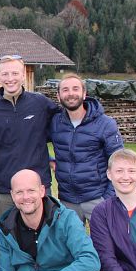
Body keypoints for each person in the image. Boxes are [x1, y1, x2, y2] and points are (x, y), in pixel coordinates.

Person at [0, 55, 62, 218]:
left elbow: (64, 126)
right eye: (5, 74)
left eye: (15, 73)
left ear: (23, 75)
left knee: (43, 231)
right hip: (6, 189)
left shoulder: (40, 103)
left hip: (38, 186)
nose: (10, 78)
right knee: (9, 232)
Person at [50, 73, 124, 223]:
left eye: (75, 89)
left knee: (107, 238)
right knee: (70, 239)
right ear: (58, 96)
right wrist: (49, 160)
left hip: (97, 198)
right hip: (67, 200)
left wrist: (108, 197)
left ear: (84, 94)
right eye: (65, 90)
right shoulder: (55, 122)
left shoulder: (105, 124)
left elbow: (119, 161)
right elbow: (33, 142)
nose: (70, 94)